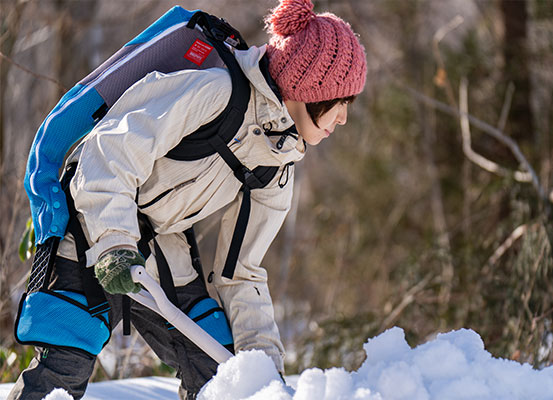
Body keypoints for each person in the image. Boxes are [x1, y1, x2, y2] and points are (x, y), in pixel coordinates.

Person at [9, 0, 366, 398]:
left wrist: (264, 377)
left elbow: (241, 274)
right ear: (311, 90)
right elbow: (111, 150)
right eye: (342, 102)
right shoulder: (216, 91)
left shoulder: (276, 165)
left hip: (162, 245)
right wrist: (115, 242)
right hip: (96, 220)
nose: (343, 118)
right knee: (64, 365)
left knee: (221, 375)